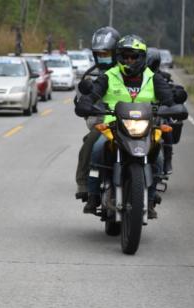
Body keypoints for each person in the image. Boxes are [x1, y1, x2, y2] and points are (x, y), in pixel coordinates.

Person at [76, 35, 175, 219]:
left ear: (142, 57)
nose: (129, 60)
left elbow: (168, 97)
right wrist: (86, 102)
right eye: (125, 56)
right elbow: (93, 93)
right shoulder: (109, 76)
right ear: (118, 57)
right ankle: (92, 193)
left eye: (134, 56)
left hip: (146, 126)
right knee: (95, 146)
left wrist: (175, 102)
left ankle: (151, 199)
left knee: (159, 157)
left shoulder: (153, 78)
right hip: (111, 124)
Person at [74, 26, 120, 207]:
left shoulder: (126, 72)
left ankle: (151, 187)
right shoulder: (90, 75)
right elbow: (81, 97)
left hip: (131, 119)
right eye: (99, 54)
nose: (103, 57)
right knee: (90, 145)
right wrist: (84, 105)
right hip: (103, 121)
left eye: (106, 53)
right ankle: (85, 186)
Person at [146, 48, 188, 175]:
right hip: (141, 112)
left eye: (151, 63)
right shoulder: (139, 78)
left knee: (166, 129)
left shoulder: (161, 77)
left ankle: (167, 161)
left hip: (159, 112)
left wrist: (174, 92)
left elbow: (173, 91)